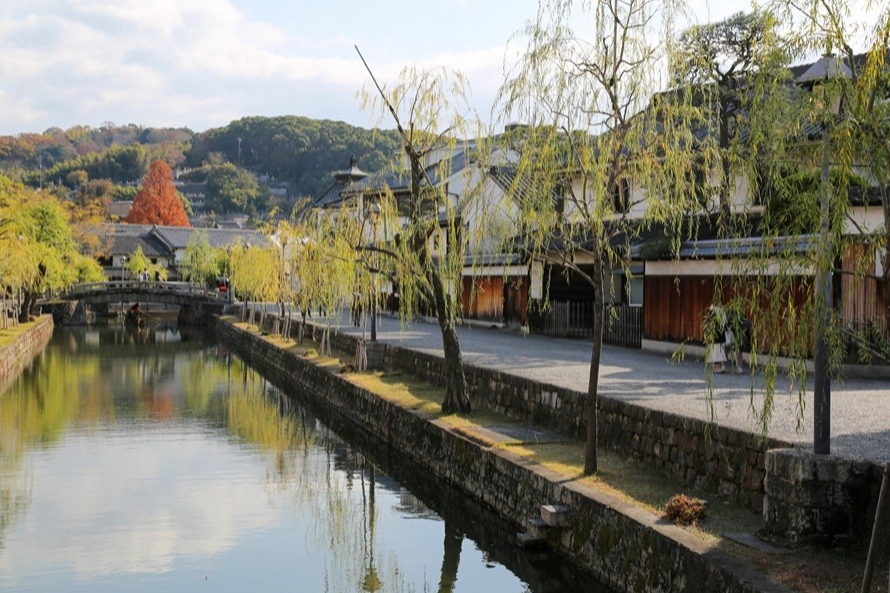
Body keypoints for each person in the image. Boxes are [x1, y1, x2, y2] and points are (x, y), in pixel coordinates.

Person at [704, 305, 727, 374]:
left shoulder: (717, 314)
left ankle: (717, 367)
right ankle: (717, 367)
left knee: (716, 353)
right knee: (716, 352)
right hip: (717, 337)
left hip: (715, 338)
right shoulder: (721, 313)